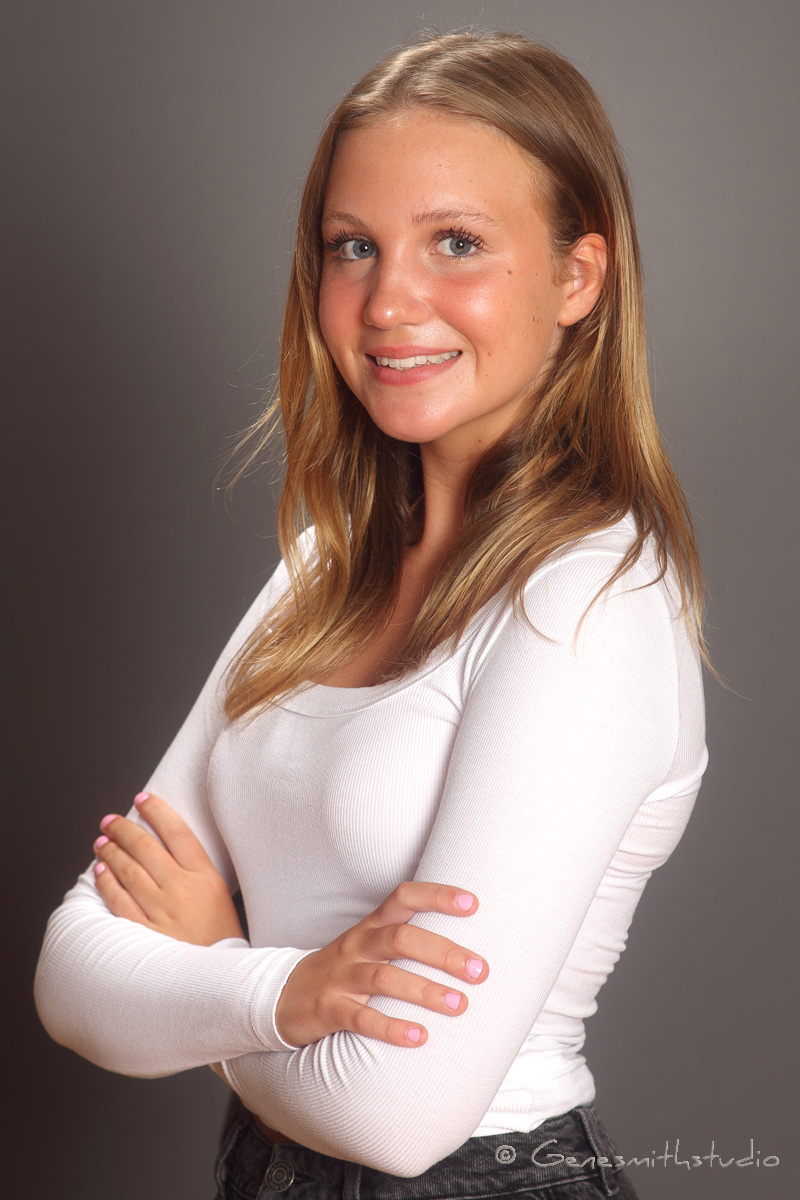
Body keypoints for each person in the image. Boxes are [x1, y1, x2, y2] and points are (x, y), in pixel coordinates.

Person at [34, 28, 708, 1200]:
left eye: (456, 243)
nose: (389, 301)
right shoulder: (320, 570)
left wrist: (213, 968)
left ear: (576, 277)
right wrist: (284, 1000)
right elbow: (71, 974)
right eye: (353, 247)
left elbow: (395, 1114)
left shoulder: (587, 598)